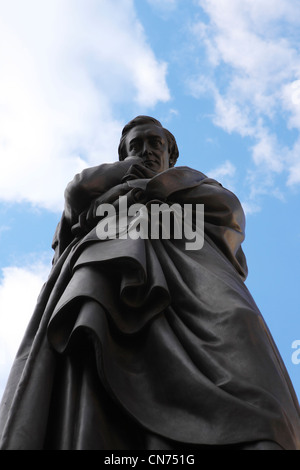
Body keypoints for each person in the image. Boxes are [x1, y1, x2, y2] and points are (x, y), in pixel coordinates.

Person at [0, 116, 299, 450]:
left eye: (154, 143)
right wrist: (124, 174)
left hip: (191, 262)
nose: (145, 151)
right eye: (135, 146)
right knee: (100, 354)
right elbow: (76, 191)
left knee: (239, 323)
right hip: (111, 263)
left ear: (170, 152)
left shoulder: (195, 182)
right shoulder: (102, 186)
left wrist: (154, 187)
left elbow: (228, 212)